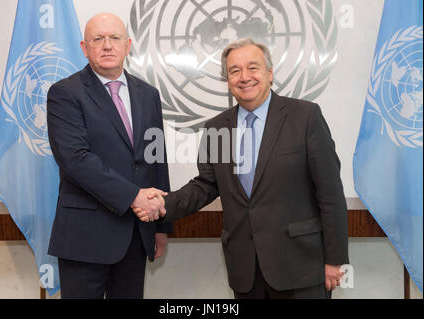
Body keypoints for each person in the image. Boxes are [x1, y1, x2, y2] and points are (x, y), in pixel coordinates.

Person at [134, 38, 349, 299]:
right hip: (247, 271)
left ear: (270, 73)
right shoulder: (217, 127)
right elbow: (205, 185)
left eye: (253, 68)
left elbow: (331, 194)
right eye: (235, 71)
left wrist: (336, 261)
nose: (244, 77)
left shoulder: (305, 117)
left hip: (301, 267)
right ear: (228, 80)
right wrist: (163, 204)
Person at [46, 12, 170, 299]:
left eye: (114, 38)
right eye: (97, 39)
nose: (106, 45)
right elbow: (75, 159)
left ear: (127, 45)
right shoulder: (65, 93)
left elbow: (156, 159)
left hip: (136, 235)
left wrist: (162, 225)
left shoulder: (148, 94)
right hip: (84, 237)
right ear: (84, 47)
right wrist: (134, 197)